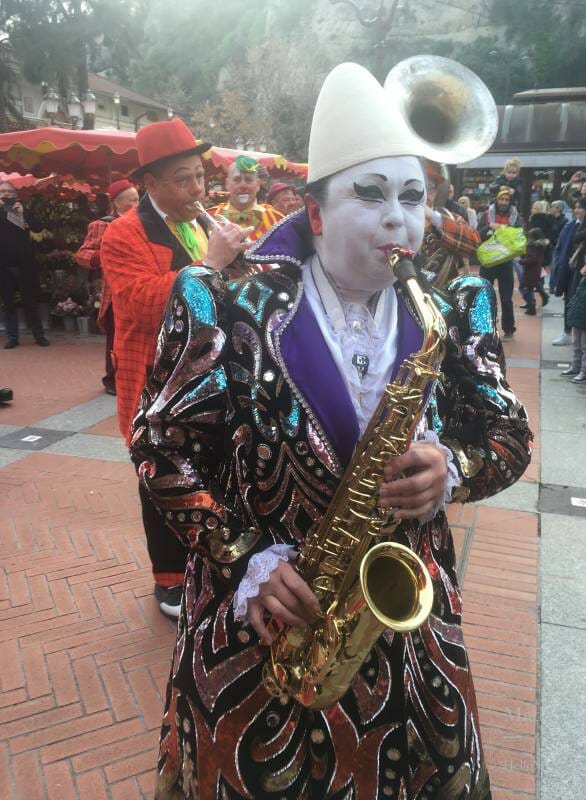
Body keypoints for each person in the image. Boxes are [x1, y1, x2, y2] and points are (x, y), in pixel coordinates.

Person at [131, 61, 531, 799]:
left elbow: (509, 435)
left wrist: (456, 472)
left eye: (412, 197)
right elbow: (161, 447)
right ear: (315, 214)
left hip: (408, 631)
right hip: (263, 620)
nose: (397, 220)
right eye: (370, 195)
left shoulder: (449, 302)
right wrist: (243, 560)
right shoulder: (225, 301)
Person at [101, 117, 250, 618]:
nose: (196, 189)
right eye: (183, 179)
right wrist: (209, 264)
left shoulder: (193, 222)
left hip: (205, 372)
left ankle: (207, 568)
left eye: (199, 177)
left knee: (206, 471)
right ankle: (168, 584)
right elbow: (140, 302)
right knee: (160, 477)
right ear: (150, 184)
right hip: (154, 380)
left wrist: (239, 267)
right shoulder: (121, 234)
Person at [76, 180, 140, 395]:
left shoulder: (145, 223)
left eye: (137, 199)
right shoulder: (102, 225)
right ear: (118, 203)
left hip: (139, 289)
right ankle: (112, 379)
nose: (136, 203)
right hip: (115, 293)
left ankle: (134, 378)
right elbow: (82, 256)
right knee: (114, 339)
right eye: (132, 200)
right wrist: (103, 253)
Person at [0, 181, 49, 349]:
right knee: (8, 304)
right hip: (4, 265)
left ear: (15, 195)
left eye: (9, 192)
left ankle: (39, 335)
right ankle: (12, 337)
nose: (6, 194)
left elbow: (38, 228)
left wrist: (24, 213)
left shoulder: (23, 210)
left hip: (24, 264)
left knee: (31, 302)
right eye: (2, 192)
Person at [421, 168, 480, 288]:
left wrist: (432, 216)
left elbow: (474, 243)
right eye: (420, 186)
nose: (425, 193)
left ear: (438, 192)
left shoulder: (450, 216)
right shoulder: (398, 218)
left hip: (442, 293)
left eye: (431, 187)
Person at [478, 186, 523, 340]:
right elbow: (478, 234)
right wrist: (489, 226)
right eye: (501, 199)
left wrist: (505, 230)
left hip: (505, 262)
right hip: (488, 262)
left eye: (506, 199)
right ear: (496, 200)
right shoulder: (486, 214)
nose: (504, 202)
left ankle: (509, 329)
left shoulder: (515, 216)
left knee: (506, 298)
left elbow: (519, 234)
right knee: (484, 295)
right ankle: (485, 328)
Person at [209, 155, 283, 239]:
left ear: (258, 185)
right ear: (227, 184)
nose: (243, 186)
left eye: (248, 180)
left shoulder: (277, 220)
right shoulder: (210, 217)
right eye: (237, 179)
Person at [553, 199, 586, 345]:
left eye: (581, 208)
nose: (577, 210)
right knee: (569, 300)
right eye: (576, 207)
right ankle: (567, 332)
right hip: (570, 268)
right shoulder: (570, 225)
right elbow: (560, 248)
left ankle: (583, 336)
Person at [562, 246, 586, 382]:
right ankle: (575, 367)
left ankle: (584, 371)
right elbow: (578, 296)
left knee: (585, 347)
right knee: (576, 344)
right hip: (578, 317)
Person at [518, 227, 549, 315]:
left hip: (530, 270)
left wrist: (521, 261)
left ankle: (531, 306)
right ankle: (540, 298)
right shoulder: (540, 245)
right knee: (531, 286)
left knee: (524, 287)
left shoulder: (532, 246)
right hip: (536, 269)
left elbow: (532, 259)